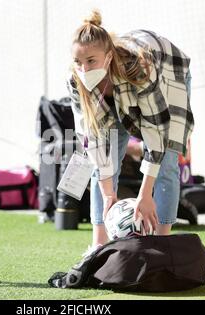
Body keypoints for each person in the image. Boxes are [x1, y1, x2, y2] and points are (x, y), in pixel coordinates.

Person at [65, 9, 194, 254]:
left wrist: (146, 195)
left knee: (166, 164)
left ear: (108, 56)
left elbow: (156, 134)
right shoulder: (75, 81)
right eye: (78, 62)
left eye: (91, 60)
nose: (84, 68)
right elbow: (93, 141)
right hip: (120, 94)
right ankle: (99, 246)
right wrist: (108, 195)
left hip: (168, 73)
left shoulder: (139, 69)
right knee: (102, 168)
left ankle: (161, 245)